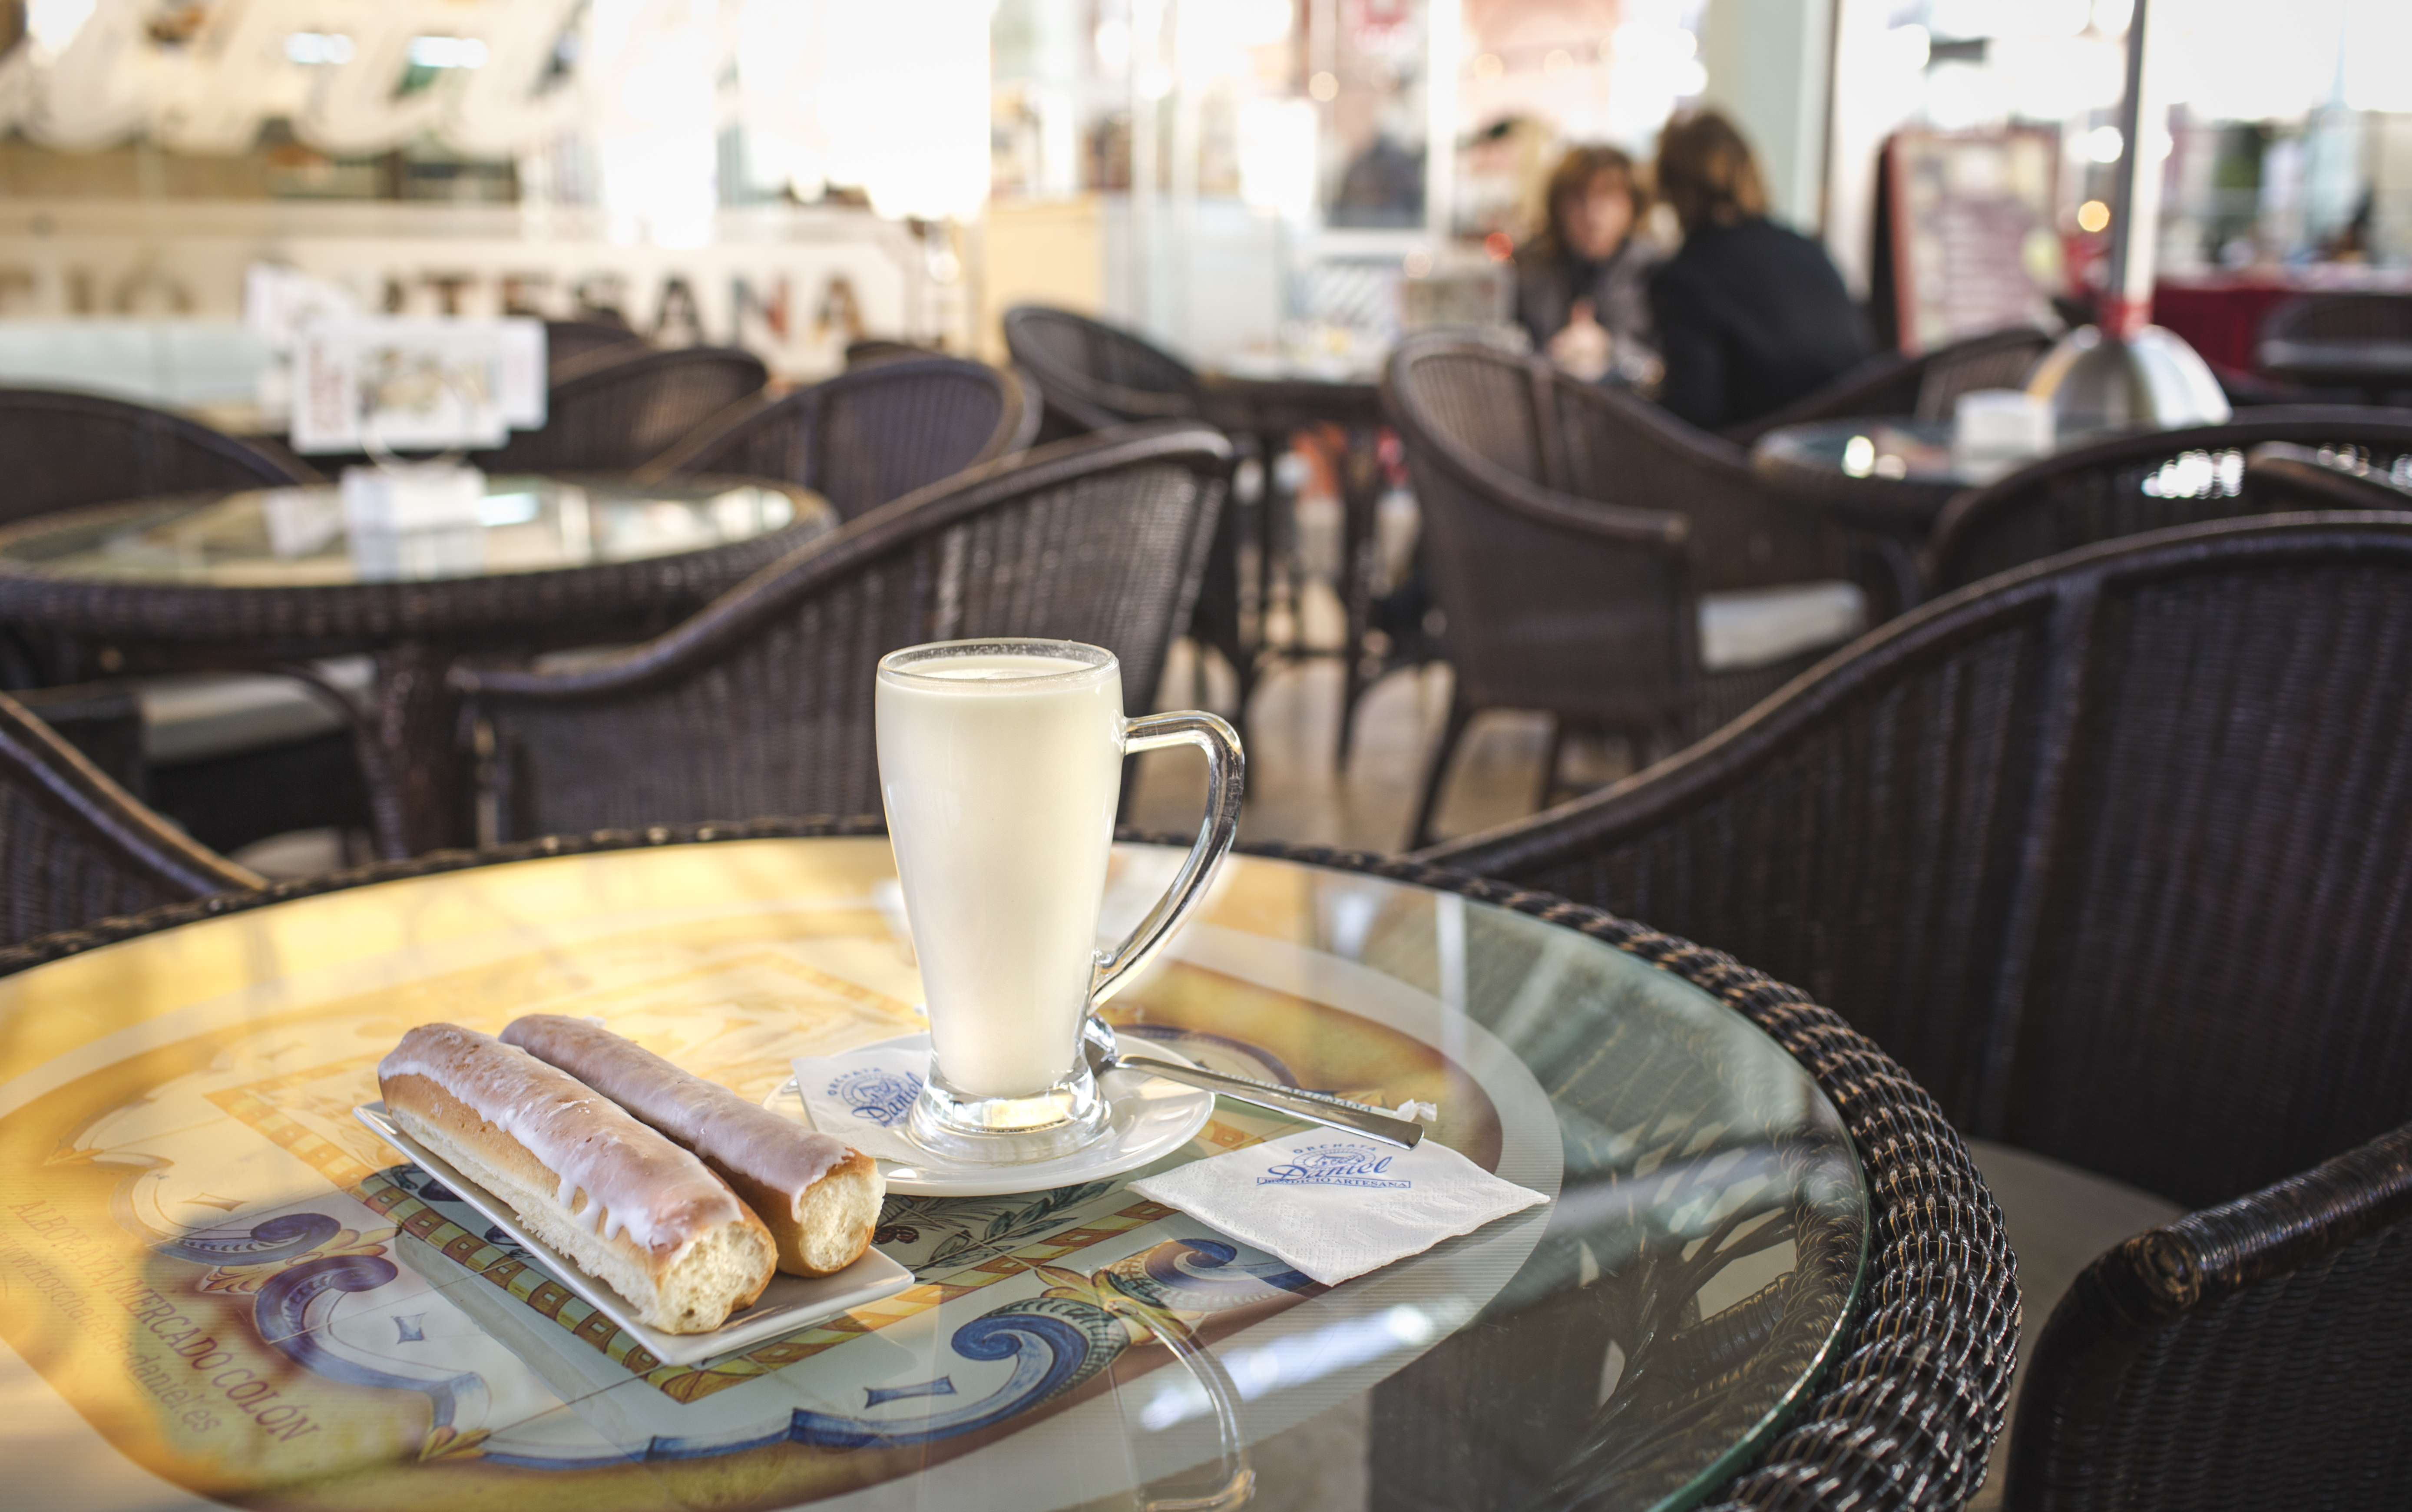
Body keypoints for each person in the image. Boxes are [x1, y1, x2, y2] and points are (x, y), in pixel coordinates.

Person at [1649, 110, 1869, 431]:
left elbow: (1695, 412)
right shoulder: (1806, 248)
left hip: (1754, 466)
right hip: (1844, 449)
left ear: (1670, 189)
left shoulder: (1685, 277)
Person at [1514, 145, 1661, 387]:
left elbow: (1666, 364)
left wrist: (1609, 349)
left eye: (1608, 197)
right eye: (1579, 199)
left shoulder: (1653, 271)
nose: (1592, 214)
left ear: (1634, 205)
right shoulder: (1529, 265)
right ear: (1557, 206)